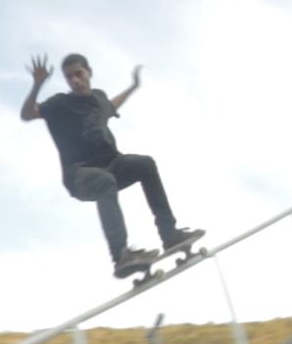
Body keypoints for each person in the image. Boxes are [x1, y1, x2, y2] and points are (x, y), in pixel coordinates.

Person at [20, 52, 200, 277]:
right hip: (80, 175)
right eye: (69, 77)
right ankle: (121, 255)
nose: (75, 80)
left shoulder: (98, 99)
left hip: (113, 164)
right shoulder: (59, 104)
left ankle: (169, 234)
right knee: (105, 181)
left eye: (79, 74)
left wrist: (133, 87)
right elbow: (27, 114)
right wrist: (37, 85)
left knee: (145, 164)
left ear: (89, 73)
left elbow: (112, 104)